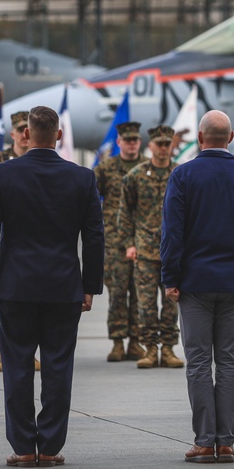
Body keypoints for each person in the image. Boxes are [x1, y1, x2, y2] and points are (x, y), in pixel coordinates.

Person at [0, 106, 105, 467]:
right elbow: (94, 237)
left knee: (17, 367)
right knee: (58, 367)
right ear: (59, 135)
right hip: (64, 287)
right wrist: (91, 285)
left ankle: (21, 447)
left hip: (14, 286)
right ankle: (49, 447)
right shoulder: (82, 178)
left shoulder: (2, 174)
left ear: (27, 135)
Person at [161, 110, 234, 464]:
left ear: (199, 138)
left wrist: (170, 277)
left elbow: (172, 233)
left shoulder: (183, 175)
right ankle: (226, 441)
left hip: (194, 283)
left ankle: (204, 439)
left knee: (197, 362)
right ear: (230, 138)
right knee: (228, 362)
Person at [119, 125, 184, 368]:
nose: (164, 148)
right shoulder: (135, 176)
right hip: (145, 250)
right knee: (145, 304)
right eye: (160, 144)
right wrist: (129, 244)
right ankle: (150, 349)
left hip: (174, 252)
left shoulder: (180, 173)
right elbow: (124, 212)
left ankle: (168, 349)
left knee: (171, 304)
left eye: (168, 144)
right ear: (152, 145)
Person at [95, 121, 145, 362]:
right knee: (116, 294)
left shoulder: (147, 167)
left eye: (135, 140)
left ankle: (135, 341)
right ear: (119, 142)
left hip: (143, 240)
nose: (132, 144)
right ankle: (117, 342)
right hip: (114, 242)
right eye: (127, 140)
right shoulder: (106, 168)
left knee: (138, 295)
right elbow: (91, 197)